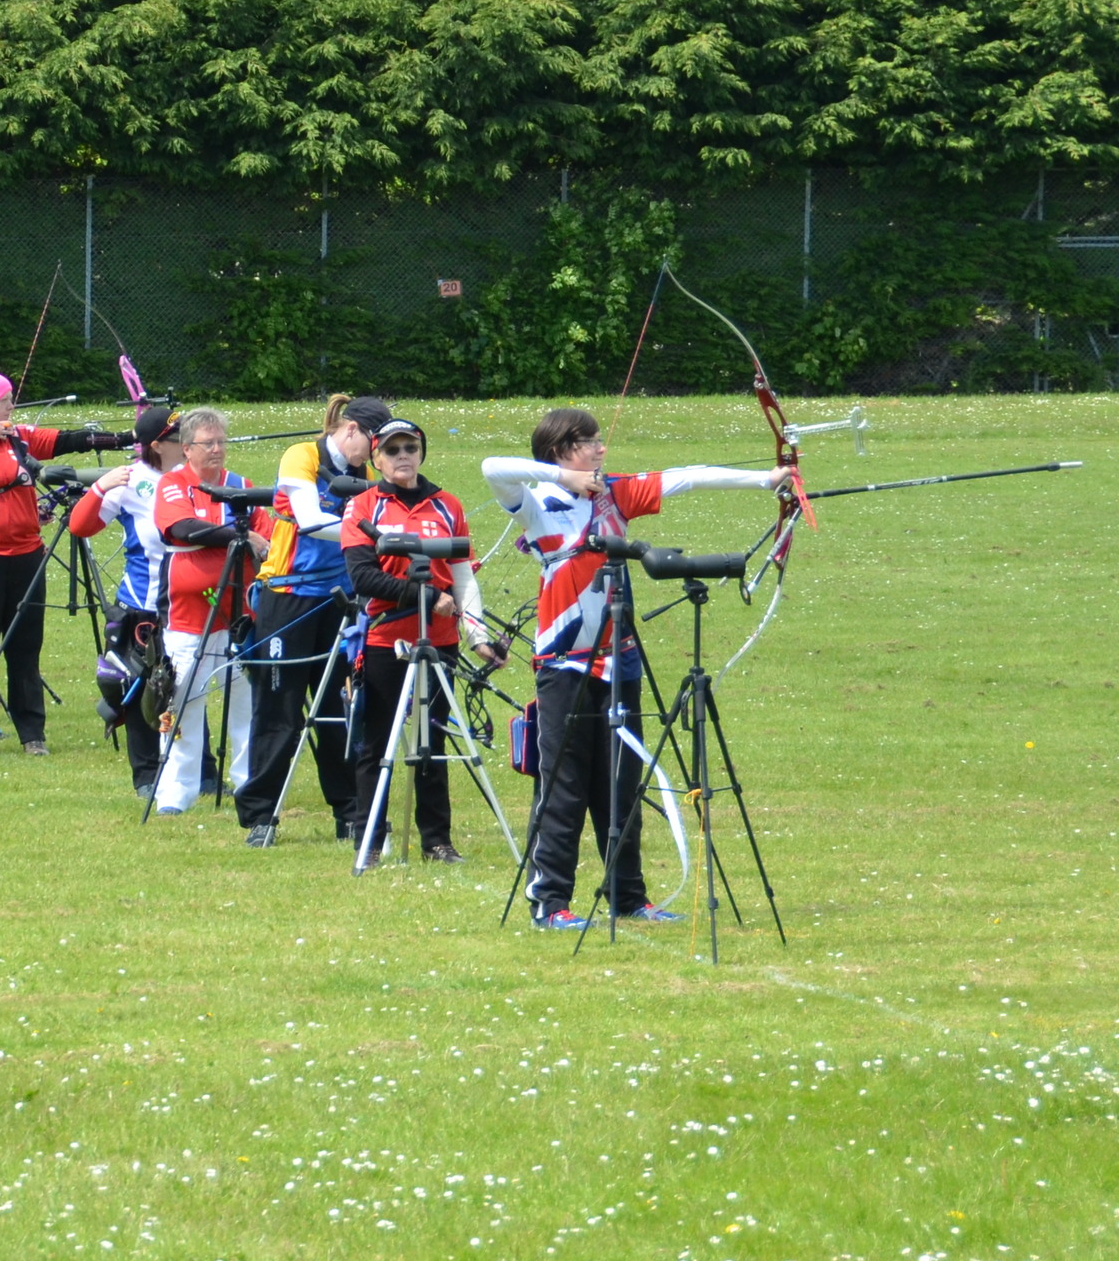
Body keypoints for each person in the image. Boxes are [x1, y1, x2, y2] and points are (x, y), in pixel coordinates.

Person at [485, 408, 788, 929]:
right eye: (590, 443)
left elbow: (686, 477)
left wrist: (767, 479)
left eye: (600, 442)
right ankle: (550, 903)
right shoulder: (538, 506)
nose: (602, 450)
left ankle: (627, 896)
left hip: (619, 659)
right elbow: (493, 467)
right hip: (563, 664)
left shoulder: (615, 494)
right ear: (562, 450)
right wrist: (563, 477)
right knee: (563, 787)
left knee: (623, 784)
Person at [0, 372, 131, 754]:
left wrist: (128, 439)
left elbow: (71, 440)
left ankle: (33, 735)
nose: (12, 406)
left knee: (25, 650)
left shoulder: (21, 438)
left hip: (27, 557)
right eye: (6, 400)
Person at [339, 417, 500, 868]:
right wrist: (427, 596)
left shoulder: (447, 504)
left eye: (411, 446)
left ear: (421, 451)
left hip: (442, 640)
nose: (403, 455)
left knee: (432, 740)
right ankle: (370, 840)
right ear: (377, 457)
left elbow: (464, 576)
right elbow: (363, 577)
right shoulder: (363, 506)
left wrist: (478, 636)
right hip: (386, 639)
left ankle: (437, 841)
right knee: (378, 742)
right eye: (392, 450)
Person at [240, 394, 387, 846]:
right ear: (351, 430)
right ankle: (261, 815)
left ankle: (348, 813)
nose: (378, 456)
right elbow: (307, 519)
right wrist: (374, 536)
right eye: (374, 444)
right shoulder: (302, 455)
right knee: (279, 711)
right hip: (288, 594)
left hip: (340, 600)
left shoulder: (361, 473)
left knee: (338, 712)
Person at [147, 409, 263, 819]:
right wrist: (239, 535)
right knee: (181, 703)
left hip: (241, 612)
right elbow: (182, 528)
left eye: (221, 442)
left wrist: (241, 538)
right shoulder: (173, 483)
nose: (216, 450)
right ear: (187, 448)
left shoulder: (243, 487)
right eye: (206, 443)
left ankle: (250, 784)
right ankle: (176, 793)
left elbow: (266, 540)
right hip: (189, 615)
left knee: (246, 702)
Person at [69, 405, 186, 793]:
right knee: (146, 691)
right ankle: (148, 775)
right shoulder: (131, 479)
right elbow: (81, 525)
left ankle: (195, 769)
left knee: (189, 686)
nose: (187, 445)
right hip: (145, 604)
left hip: (190, 601)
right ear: (157, 446)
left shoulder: (193, 478)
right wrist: (101, 486)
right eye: (177, 440)